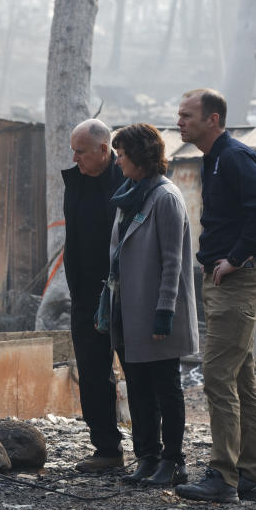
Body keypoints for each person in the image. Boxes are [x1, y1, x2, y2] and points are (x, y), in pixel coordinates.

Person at [175, 88, 256, 503]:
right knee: (240, 377)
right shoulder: (211, 159)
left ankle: (223, 477)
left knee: (218, 375)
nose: (179, 121)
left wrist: (234, 258)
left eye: (187, 115)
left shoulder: (235, 157)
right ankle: (253, 476)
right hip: (223, 281)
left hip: (237, 280)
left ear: (212, 119)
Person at [107, 123, 197, 486]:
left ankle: (174, 461)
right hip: (129, 309)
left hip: (156, 311)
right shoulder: (130, 195)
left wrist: (164, 312)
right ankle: (147, 456)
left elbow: (173, 260)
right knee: (139, 385)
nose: (117, 161)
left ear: (140, 156)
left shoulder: (165, 197)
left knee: (165, 387)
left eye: (122, 154)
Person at [62, 118, 126, 472]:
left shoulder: (128, 178)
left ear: (105, 150)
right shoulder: (76, 182)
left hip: (125, 291)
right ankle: (106, 450)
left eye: (81, 152)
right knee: (92, 371)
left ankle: (154, 452)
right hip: (86, 293)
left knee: (138, 368)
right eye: (72, 150)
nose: (75, 159)